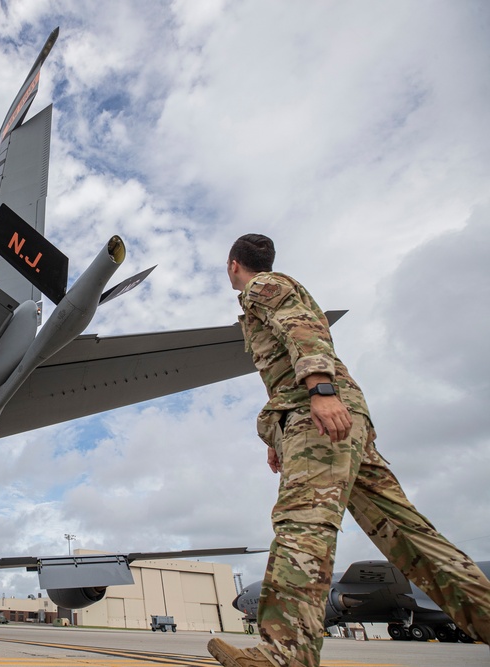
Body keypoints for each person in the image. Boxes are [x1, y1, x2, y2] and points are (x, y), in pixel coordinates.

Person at [209, 234, 490, 667]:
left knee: (303, 523)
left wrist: (319, 391)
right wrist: (278, 437)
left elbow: (303, 328)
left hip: (319, 414)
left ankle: (286, 653)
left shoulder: (262, 287)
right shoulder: (275, 287)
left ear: (233, 265)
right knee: (409, 536)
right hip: (330, 421)